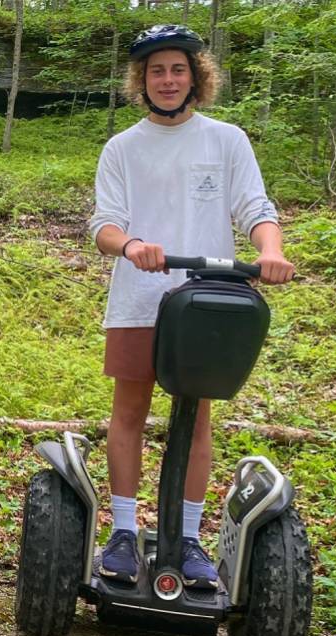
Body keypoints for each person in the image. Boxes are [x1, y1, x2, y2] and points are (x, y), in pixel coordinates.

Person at [89, 25, 295, 588]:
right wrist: (131, 245)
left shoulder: (226, 139)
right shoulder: (122, 147)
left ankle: (189, 537)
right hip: (140, 298)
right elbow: (104, 224)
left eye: (178, 69)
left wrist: (271, 251)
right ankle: (125, 533)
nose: (168, 79)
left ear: (196, 76)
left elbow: (255, 207)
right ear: (143, 80)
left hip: (208, 301)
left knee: (197, 415)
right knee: (129, 410)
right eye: (157, 71)